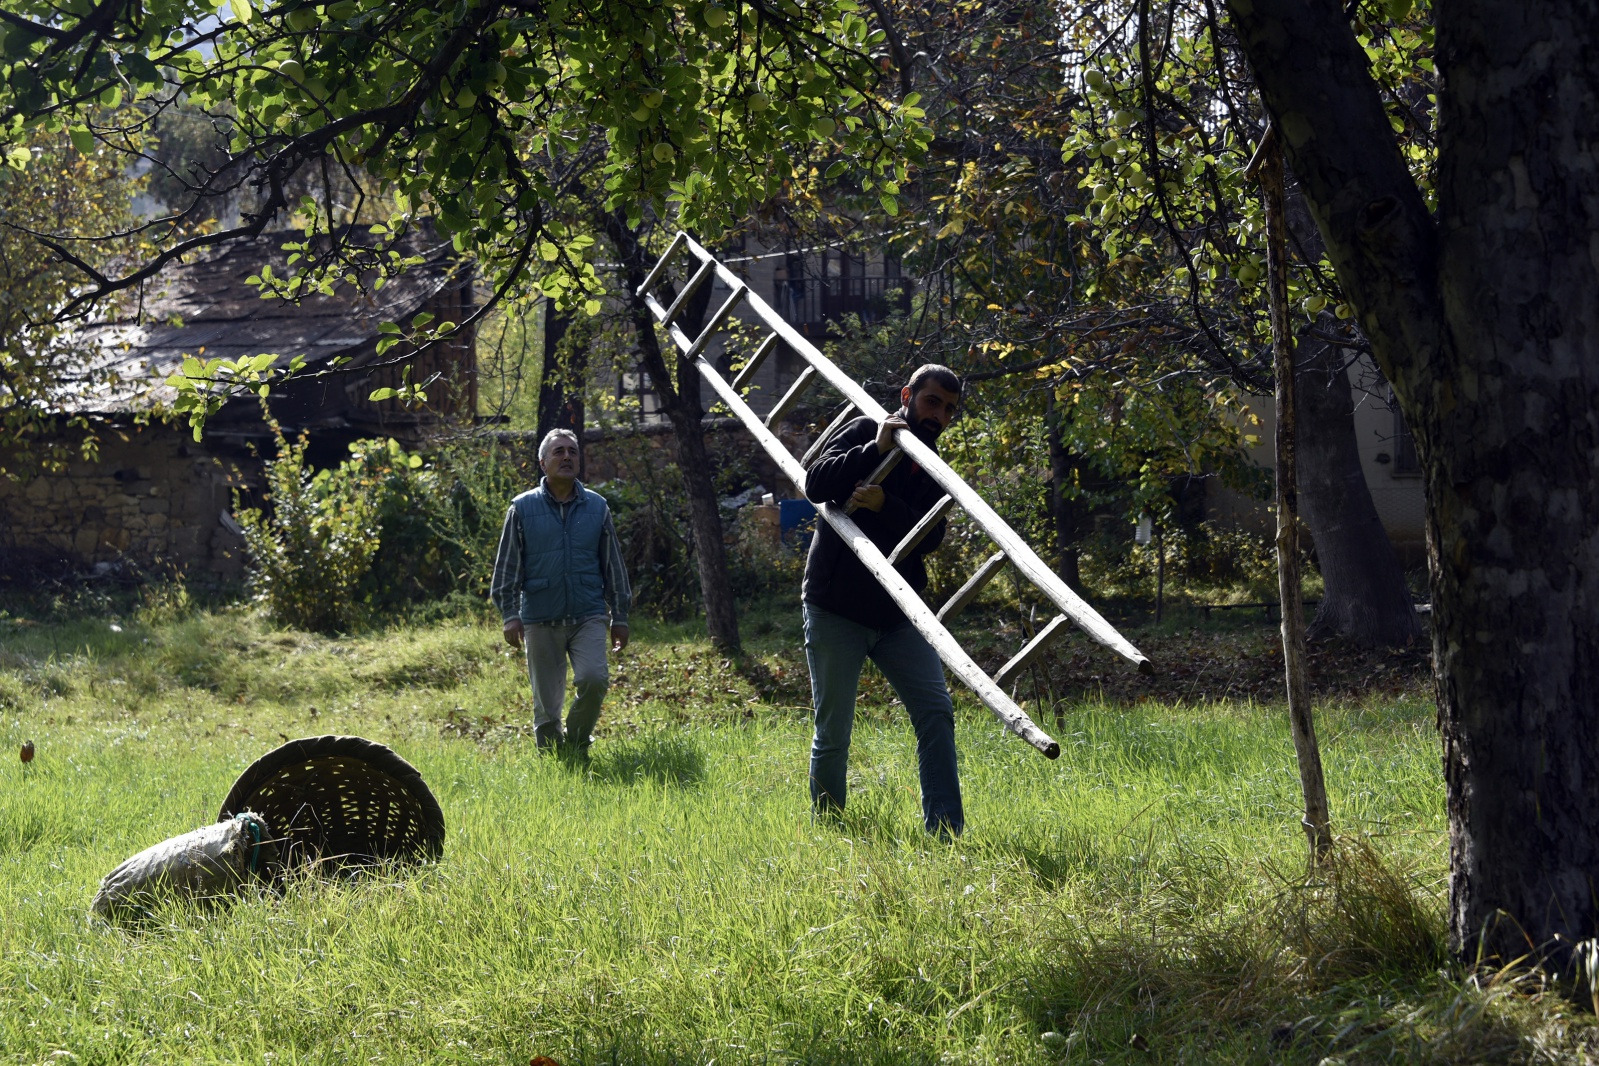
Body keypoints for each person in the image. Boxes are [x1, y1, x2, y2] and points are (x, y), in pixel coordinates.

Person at [801, 364, 964, 836]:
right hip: (836, 607)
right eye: (932, 402)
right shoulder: (864, 429)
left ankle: (945, 831)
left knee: (936, 712)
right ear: (908, 395)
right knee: (833, 730)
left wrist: (884, 506)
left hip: (899, 614)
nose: (938, 415)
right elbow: (816, 483)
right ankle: (830, 828)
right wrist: (876, 450)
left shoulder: (936, 464)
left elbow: (932, 534)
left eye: (949, 409)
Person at [490, 428, 631, 755]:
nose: (567, 457)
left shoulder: (597, 507)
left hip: (588, 615)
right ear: (543, 463)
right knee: (547, 706)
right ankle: (555, 762)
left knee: (594, 680)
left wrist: (620, 616)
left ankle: (578, 743)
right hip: (541, 618)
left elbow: (614, 566)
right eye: (559, 452)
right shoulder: (522, 509)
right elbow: (507, 567)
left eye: (572, 451)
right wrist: (510, 615)